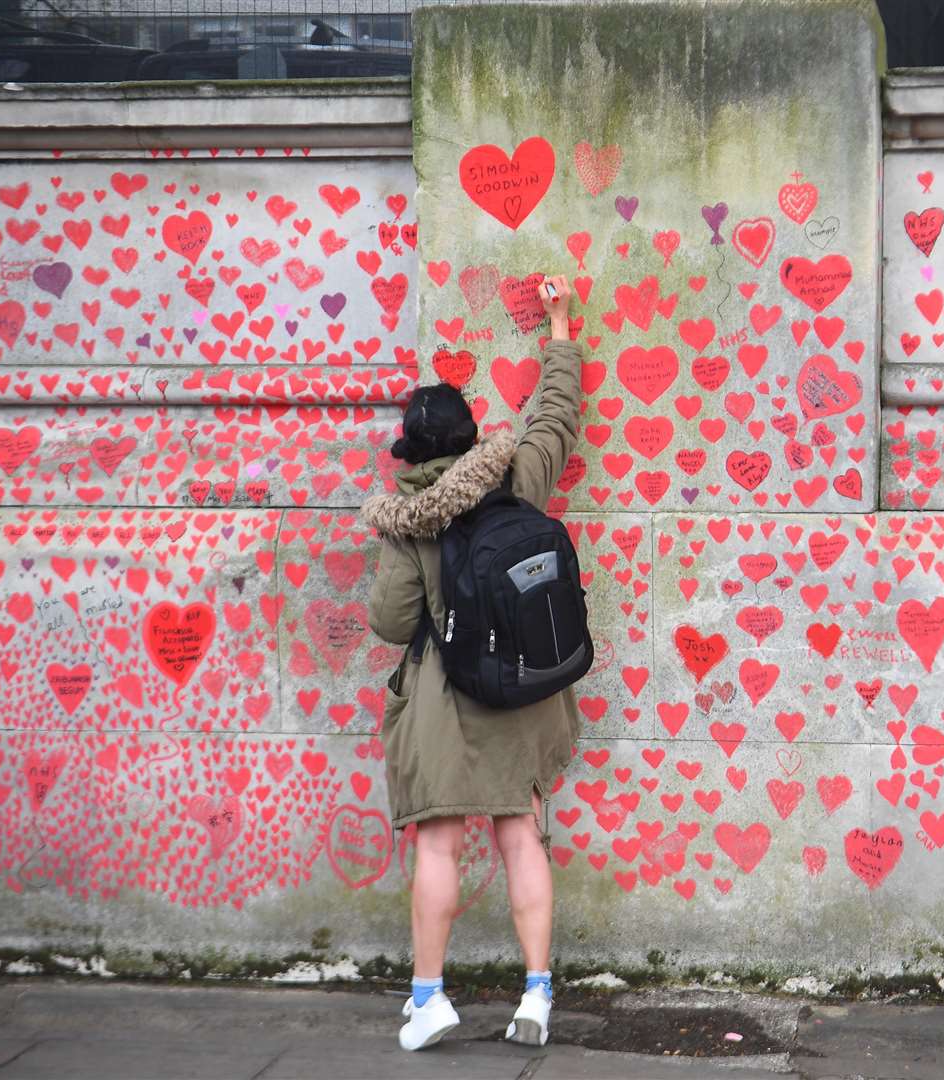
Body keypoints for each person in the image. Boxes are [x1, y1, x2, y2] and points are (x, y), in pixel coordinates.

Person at [361, 276, 581, 1051]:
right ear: (470, 433)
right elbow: (555, 417)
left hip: (449, 706)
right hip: (522, 693)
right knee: (521, 834)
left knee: (438, 843)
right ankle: (536, 995)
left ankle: (429, 999)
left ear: (413, 453)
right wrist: (557, 328)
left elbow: (391, 623)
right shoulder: (516, 477)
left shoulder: (406, 524)